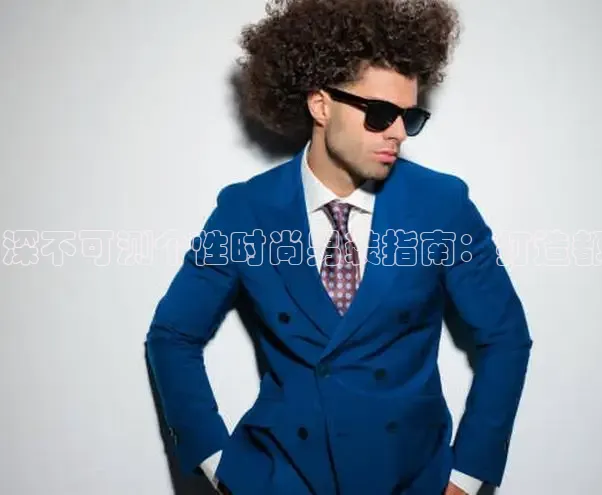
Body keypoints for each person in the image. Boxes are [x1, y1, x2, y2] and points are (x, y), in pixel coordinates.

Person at [145, 0, 532, 494]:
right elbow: (172, 334)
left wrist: (467, 477)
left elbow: (506, 336)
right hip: (285, 478)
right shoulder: (247, 212)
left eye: (409, 117)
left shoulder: (442, 206)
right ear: (321, 105)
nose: (397, 133)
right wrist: (220, 466)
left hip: (411, 479)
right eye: (380, 114)